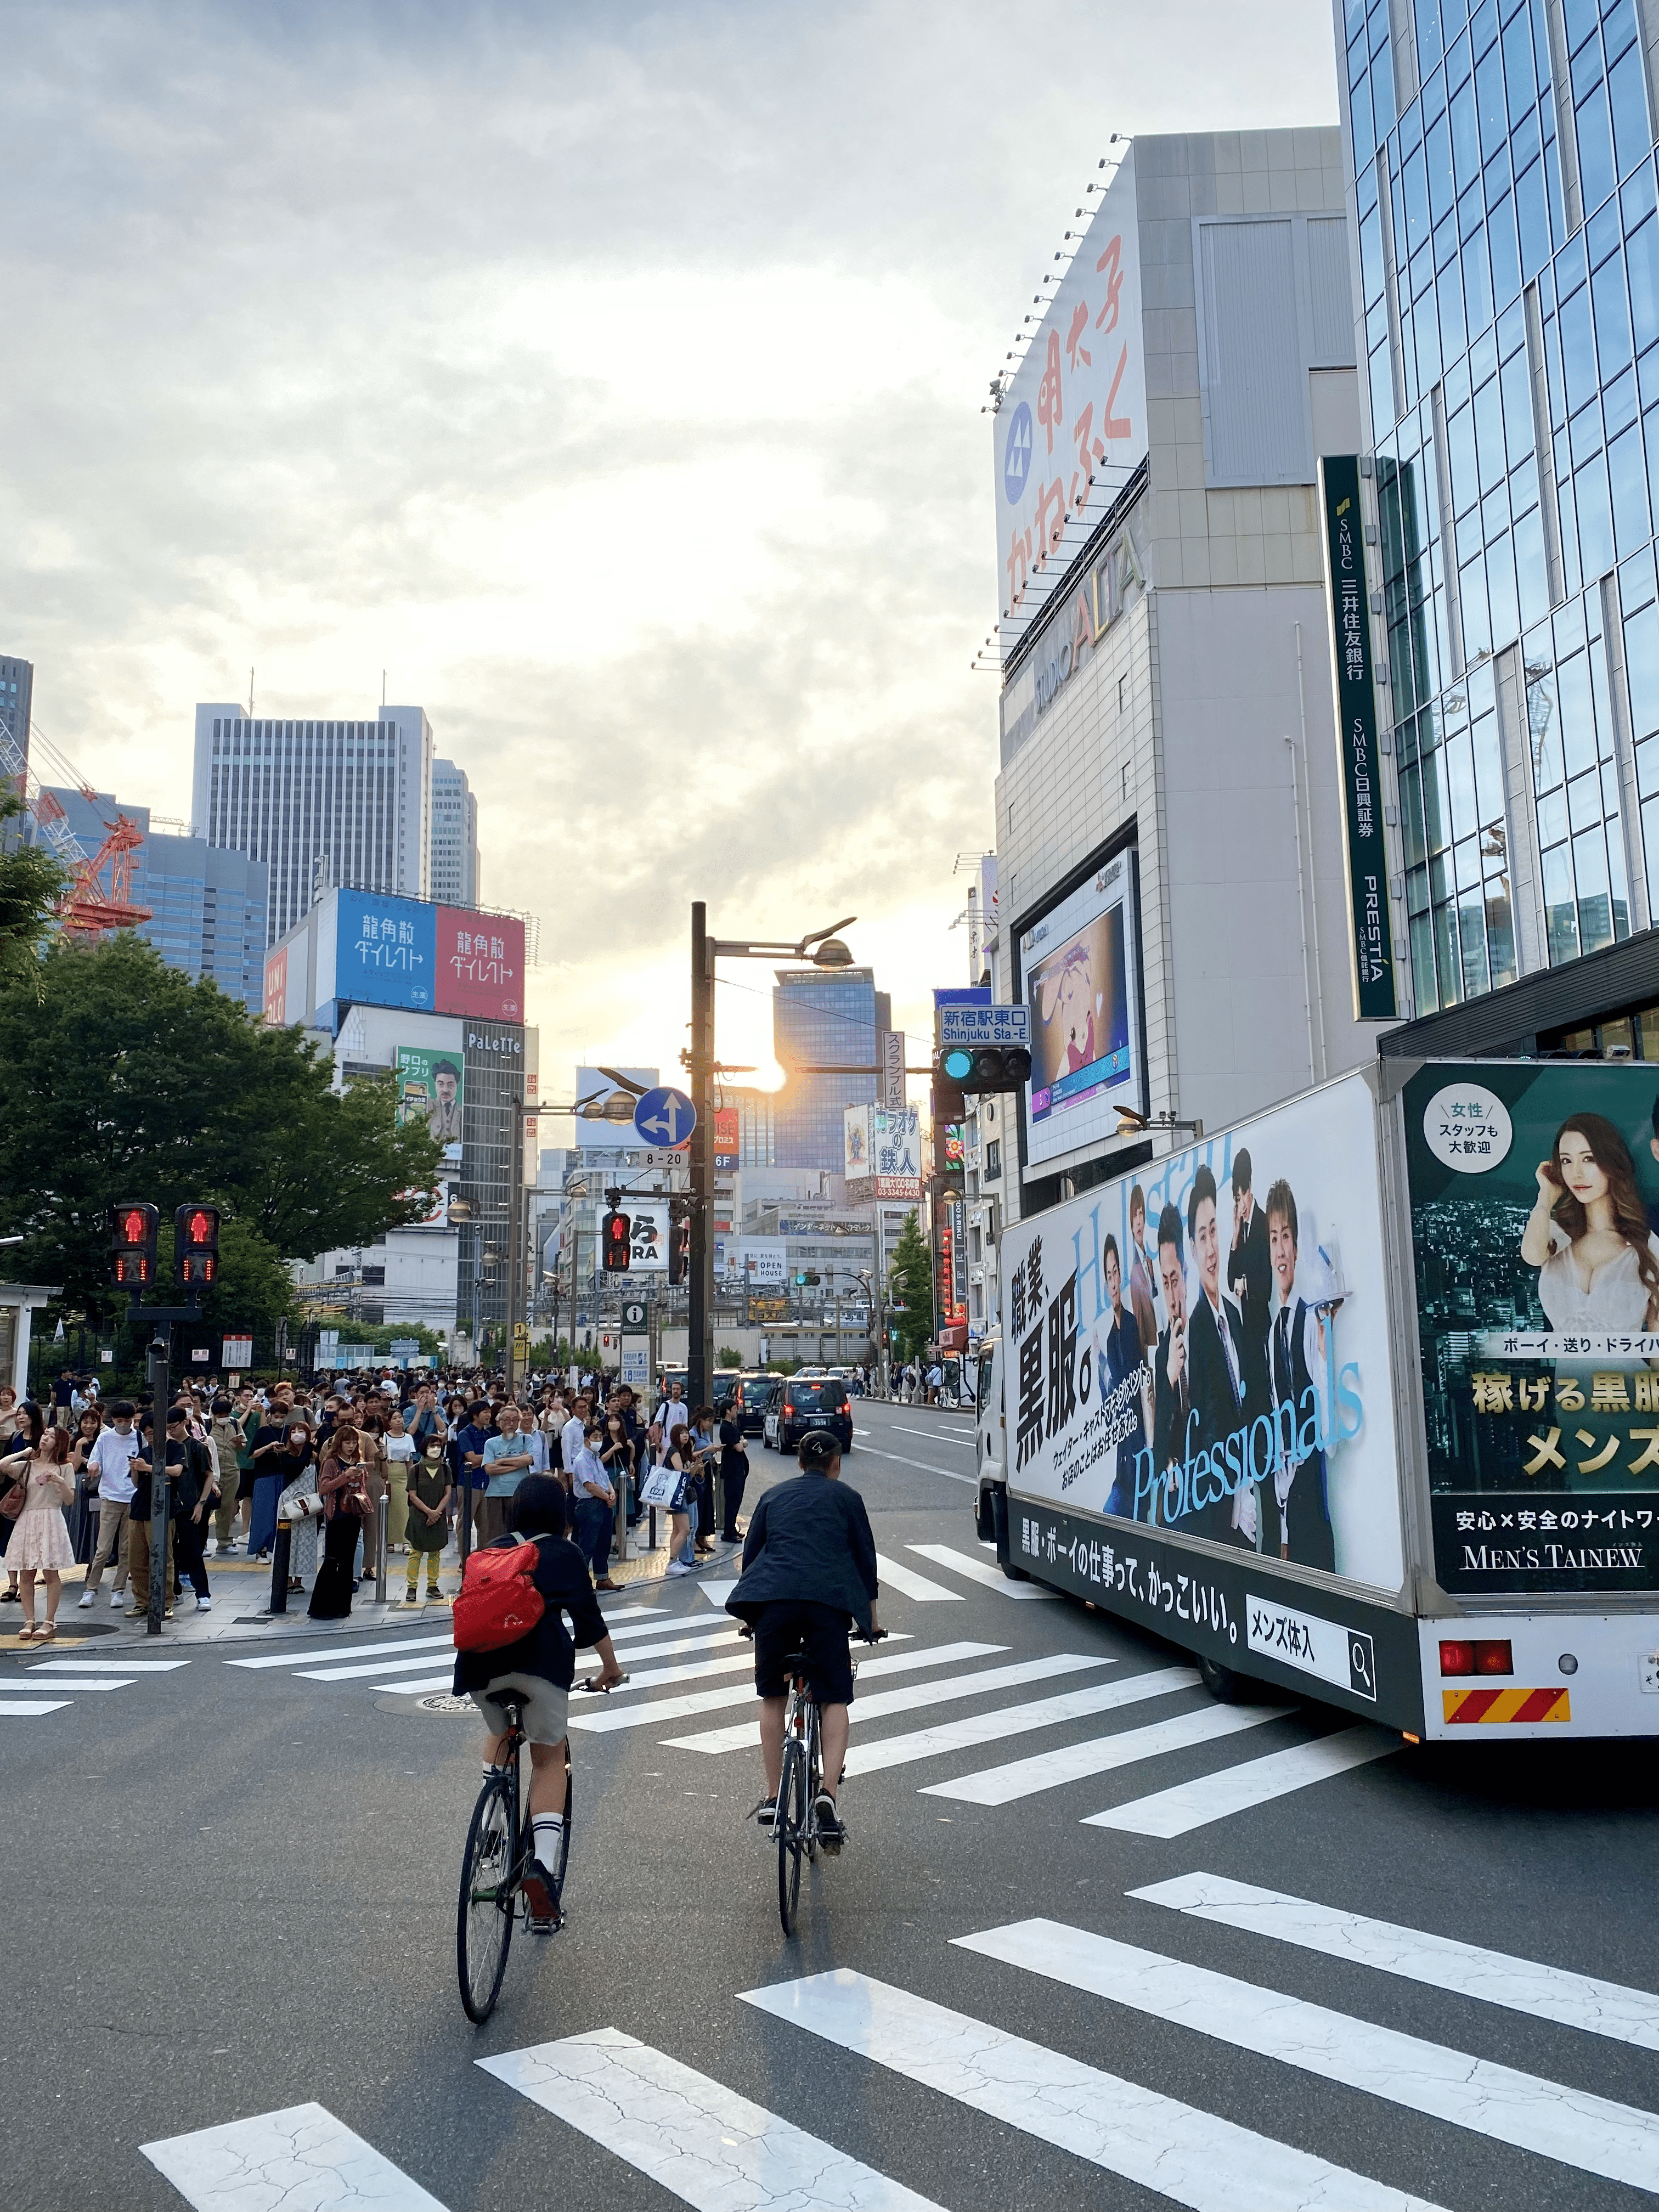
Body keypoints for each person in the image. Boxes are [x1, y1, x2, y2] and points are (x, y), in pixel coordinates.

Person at [454, 1474, 626, 1929]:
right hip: (540, 1666)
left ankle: (492, 1820)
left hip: (478, 1668)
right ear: (560, 1514)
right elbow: (589, 1623)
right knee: (548, 1758)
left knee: (499, 1734)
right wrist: (611, 1669)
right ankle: (543, 1870)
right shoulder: (564, 1553)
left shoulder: (488, 1548)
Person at [725, 1429, 881, 1849]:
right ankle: (828, 1791)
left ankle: (775, 1797)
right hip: (827, 1604)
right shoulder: (848, 1499)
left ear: (797, 1463)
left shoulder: (772, 1498)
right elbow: (866, 1564)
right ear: (836, 1463)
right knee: (834, 1697)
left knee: (773, 1698)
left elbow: (752, 1556)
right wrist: (873, 1622)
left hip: (773, 1601)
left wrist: (751, 1614)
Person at [1183, 1164, 1268, 1547]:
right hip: (1218, 1509)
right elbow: (1203, 1425)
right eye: (1203, 1237)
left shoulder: (1233, 1315)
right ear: (1192, 1248)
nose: (1212, 1247)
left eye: (1214, 1230)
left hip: (1249, 1498)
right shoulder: (1196, 1329)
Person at [1523, 1112, 1659, 1331]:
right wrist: (1545, 1197)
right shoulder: (1557, 1236)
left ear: (1612, 1162)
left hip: (1626, 1366)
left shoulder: (1648, 1244)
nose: (1576, 1173)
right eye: (1566, 1161)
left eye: (1589, 1159)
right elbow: (1531, 1256)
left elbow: (1657, 1345)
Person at [1264, 1177, 1336, 1572]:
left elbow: (1327, 1424)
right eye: (1273, 1238)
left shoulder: (1312, 1319)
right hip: (1288, 1502)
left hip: (1312, 1496)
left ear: (1297, 1245)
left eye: (1286, 1237)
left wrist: (1326, 1348)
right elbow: (1278, 1418)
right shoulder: (1274, 1332)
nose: (1280, 1249)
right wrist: (1284, 1530)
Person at [2, 1417, 76, 1641]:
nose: (46, 1438)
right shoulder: (28, 1466)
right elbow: (3, 1466)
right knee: (26, 1573)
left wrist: (60, 1482)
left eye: (52, 1437)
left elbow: (70, 1501)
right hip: (27, 1519)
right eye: (46, 1434)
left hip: (51, 1518)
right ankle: (29, 1620)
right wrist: (24, 1453)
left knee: (51, 1572)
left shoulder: (65, 1467)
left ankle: (50, 1621)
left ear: (60, 1443)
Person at [1099, 1233, 1147, 1520]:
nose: (1114, 1282)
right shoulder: (1109, 1338)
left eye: (1116, 1272)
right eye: (1109, 1275)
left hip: (1141, 1457)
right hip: (1123, 1463)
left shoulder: (1132, 1326)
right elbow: (1112, 1405)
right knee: (1111, 1516)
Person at [78, 1398, 140, 1608]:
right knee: (103, 1548)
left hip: (133, 1497)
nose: (123, 1424)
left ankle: (119, 1589)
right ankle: (91, 1588)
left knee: (126, 1548)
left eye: (128, 1420)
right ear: (112, 1419)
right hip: (111, 1498)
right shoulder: (105, 1438)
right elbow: (96, 1461)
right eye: (119, 1420)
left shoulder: (140, 1439)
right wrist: (94, 1466)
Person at [311, 1427, 370, 1618]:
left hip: (353, 1515)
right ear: (339, 1443)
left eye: (354, 1443)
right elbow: (324, 1488)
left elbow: (362, 1487)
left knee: (348, 1562)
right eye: (347, 1443)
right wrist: (345, 1476)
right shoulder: (331, 1462)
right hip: (336, 1515)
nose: (351, 1447)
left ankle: (343, 1607)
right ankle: (320, 1608)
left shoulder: (358, 1462)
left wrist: (361, 1477)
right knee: (331, 1561)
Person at [1226, 1148, 1272, 1378]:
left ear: (1250, 1188)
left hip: (1263, 1333)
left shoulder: (1264, 1223)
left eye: (1242, 1197)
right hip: (1246, 1337)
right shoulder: (1240, 1229)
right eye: (1237, 1199)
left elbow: (1267, 1284)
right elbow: (1228, 1280)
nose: (1241, 1206)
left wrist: (1245, 1283)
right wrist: (1234, 1238)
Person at [167, 1404, 218, 1613]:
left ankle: (203, 1594)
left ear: (185, 1422)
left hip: (190, 1507)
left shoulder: (197, 1447)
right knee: (170, 1551)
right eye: (167, 1428)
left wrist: (201, 1503)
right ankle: (175, 1590)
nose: (170, 1431)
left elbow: (209, 1475)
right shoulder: (166, 1447)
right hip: (170, 1507)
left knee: (194, 1551)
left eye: (173, 1426)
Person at [402, 1432, 452, 1604]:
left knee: (435, 1552)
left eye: (438, 1446)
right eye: (432, 1446)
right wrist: (429, 1513)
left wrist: (437, 1512)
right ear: (424, 1449)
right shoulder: (415, 1470)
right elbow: (413, 1496)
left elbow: (448, 1493)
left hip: (438, 1515)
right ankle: (412, 1587)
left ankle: (432, 1585)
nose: (436, 1449)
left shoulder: (446, 1469)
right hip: (419, 1516)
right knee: (416, 1552)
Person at [569, 1423, 618, 1590]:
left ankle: (603, 1578)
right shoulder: (582, 1460)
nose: (598, 1440)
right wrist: (607, 1497)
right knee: (587, 1545)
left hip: (603, 1503)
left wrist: (612, 1494)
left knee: (604, 1544)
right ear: (586, 1441)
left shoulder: (596, 1458)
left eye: (600, 1436)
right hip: (589, 1505)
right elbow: (589, 1485)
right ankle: (579, 1582)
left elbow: (605, 1479)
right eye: (594, 1437)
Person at [480, 1403, 536, 1547]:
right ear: (499, 1422)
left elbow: (528, 1460)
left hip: (519, 1493)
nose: (510, 1424)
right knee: (496, 1536)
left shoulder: (526, 1439)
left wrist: (502, 1461)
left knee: (520, 1534)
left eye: (514, 1420)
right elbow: (489, 1469)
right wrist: (517, 1463)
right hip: (496, 1494)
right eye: (506, 1420)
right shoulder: (490, 1443)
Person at [276, 1428, 322, 1595]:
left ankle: (299, 1580)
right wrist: (309, 1447)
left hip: (309, 1504)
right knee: (288, 1541)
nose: (297, 1434)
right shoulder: (285, 1455)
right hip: (289, 1503)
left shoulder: (314, 1457)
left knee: (305, 1541)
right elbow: (296, 1468)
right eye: (294, 1431)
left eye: (301, 1431)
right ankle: (286, 1579)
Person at [1126, 1183, 1163, 1353]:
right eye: (1135, 1215)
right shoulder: (1134, 1274)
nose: (1139, 1221)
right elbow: (1140, 1331)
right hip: (1156, 1357)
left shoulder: (1151, 1259)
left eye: (1141, 1213)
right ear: (1131, 1222)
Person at [662, 1423, 698, 1577]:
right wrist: (690, 1468)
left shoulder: (682, 1452)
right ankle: (672, 1562)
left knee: (677, 1530)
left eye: (686, 1433)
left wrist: (695, 1468)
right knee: (685, 1530)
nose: (685, 1435)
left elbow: (688, 1476)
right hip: (677, 1495)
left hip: (678, 1494)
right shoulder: (674, 1451)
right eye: (681, 1433)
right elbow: (680, 1473)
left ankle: (674, 1561)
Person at [382, 1407, 416, 1553]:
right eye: (395, 1418)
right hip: (389, 1472)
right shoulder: (385, 1437)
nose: (398, 1420)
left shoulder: (408, 1437)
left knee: (404, 1509)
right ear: (389, 1422)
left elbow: (410, 1461)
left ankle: (405, 1542)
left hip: (403, 1473)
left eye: (400, 1417)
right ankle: (390, 1541)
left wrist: (412, 1480)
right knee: (389, 1508)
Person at [718, 1404, 749, 1545]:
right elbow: (739, 1447)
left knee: (736, 1500)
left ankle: (732, 1528)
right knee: (732, 1501)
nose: (737, 1411)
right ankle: (728, 1532)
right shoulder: (726, 1428)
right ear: (728, 1411)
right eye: (735, 1409)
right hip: (732, 1471)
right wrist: (742, 1442)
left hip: (738, 1470)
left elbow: (741, 1443)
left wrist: (742, 1442)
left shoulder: (732, 1426)